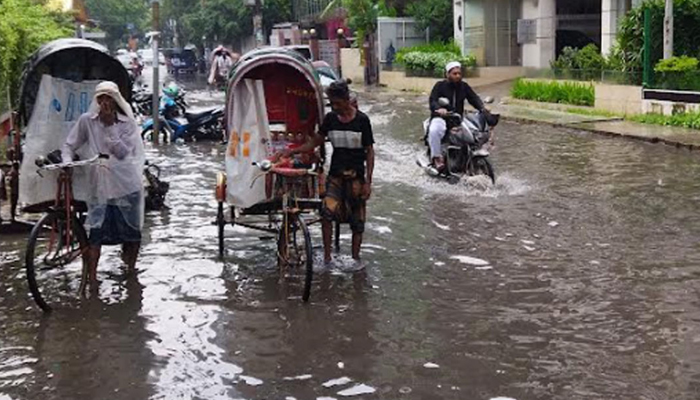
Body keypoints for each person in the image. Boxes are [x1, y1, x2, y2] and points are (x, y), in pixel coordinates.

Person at [61, 81, 145, 287]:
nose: (105, 103)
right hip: (100, 184)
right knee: (96, 232)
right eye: (101, 99)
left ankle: (131, 271)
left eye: (109, 98)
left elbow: (124, 153)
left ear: (116, 101)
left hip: (125, 183)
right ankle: (92, 278)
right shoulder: (87, 121)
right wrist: (67, 163)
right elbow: (69, 144)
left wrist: (110, 128)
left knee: (132, 233)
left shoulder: (127, 124)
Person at [284, 81, 374, 264]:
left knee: (358, 221)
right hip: (335, 176)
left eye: (338, 103)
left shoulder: (362, 121)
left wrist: (368, 182)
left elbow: (370, 151)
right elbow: (315, 142)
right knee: (326, 213)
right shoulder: (330, 119)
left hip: (356, 177)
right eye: (332, 103)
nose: (335, 107)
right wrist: (293, 151)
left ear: (347, 100)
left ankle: (356, 259)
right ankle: (327, 258)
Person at [427, 61, 487, 171]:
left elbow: (473, 98)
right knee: (435, 130)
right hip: (441, 118)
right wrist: (439, 109)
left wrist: (482, 108)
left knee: (474, 133)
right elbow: (432, 100)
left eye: (459, 73)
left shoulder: (464, 86)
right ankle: (437, 158)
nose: (457, 76)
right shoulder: (440, 85)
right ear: (447, 74)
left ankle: (468, 157)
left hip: (458, 119)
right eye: (454, 74)